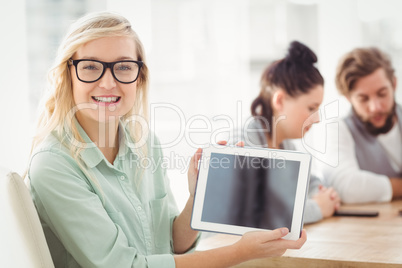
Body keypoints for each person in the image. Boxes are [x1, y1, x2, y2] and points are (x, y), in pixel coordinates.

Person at [27, 11, 306, 268]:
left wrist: (200, 197)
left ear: (139, 77)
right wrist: (240, 252)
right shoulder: (54, 165)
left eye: (123, 67)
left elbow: (171, 244)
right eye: (90, 67)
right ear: (68, 75)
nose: (108, 83)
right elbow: (124, 265)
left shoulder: (145, 143)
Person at [242, 41, 341, 224]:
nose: (317, 118)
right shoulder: (242, 143)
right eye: (311, 108)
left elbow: (312, 183)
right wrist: (318, 207)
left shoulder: (286, 146)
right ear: (279, 100)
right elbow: (260, 215)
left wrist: (322, 196)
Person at [319, 47, 402, 204]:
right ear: (348, 98)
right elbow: (345, 187)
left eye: (382, 93)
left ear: (394, 84)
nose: (375, 107)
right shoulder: (339, 129)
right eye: (364, 99)